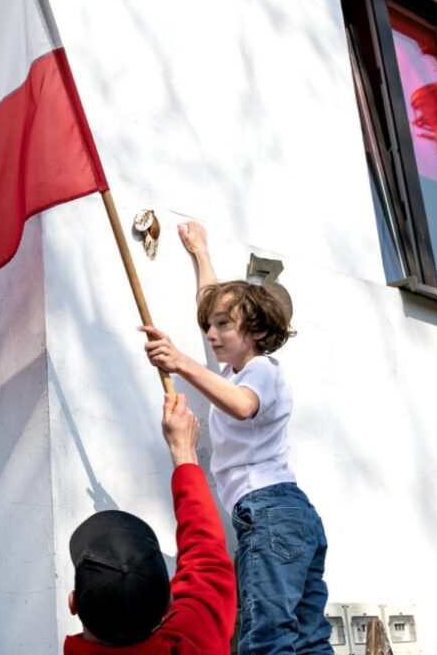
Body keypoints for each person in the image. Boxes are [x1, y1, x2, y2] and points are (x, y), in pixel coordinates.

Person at [140, 221, 333, 655]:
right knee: (306, 638)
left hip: (270, 515)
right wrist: (201, 254)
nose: (211, 334)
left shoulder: (262, 369)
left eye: (222, 326)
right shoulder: (231, 370)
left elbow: (241, 405)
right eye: (208, 325)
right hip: (286, 515)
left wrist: (181, 363)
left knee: (264, 639)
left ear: (258, 333)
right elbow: (212, 303)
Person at [64, 392, 237, 654]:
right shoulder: (197, 638)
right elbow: (206, 554)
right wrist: (184, 452)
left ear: (73, 603)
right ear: (169, 601)